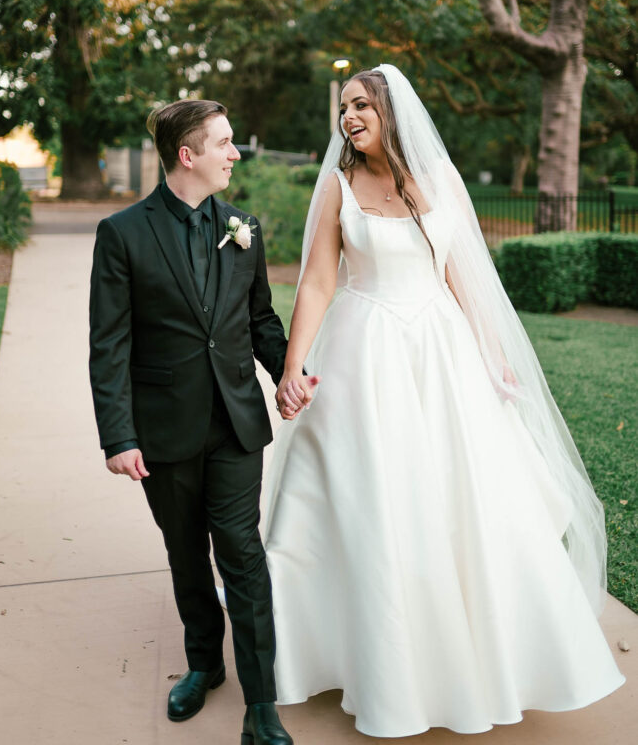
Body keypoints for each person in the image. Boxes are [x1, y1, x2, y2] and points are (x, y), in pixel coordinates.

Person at [264, 65, 625, 737]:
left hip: (440, 354)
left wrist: (493, 362)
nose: (348, 117)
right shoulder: (338, 188)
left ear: (392, 112)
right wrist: (294, 366)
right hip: (360, 353)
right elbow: (316, 284)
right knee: (360, 499)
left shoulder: (443, 183)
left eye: (361, 105)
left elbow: (464, 279)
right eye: (344, 107)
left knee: (460, 501)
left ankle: (473, 663)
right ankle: (355, 657)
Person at [89, 98, 297, 745]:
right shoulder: (123, 233)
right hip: (163, 431)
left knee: (242, 553)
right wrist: (118, 436)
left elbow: (258, 318)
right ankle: (203, 663)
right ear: (189, 155)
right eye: (225, 143)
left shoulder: (244, 226)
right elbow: (110, 343)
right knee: (186, 555)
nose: (236, 154)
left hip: (236, 424)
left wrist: (286, 373)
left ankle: (261, 704)